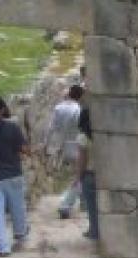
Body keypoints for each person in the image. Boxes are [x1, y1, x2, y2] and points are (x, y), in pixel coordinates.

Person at [0, 96, 30, 256]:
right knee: (18, 206)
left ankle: (3, 247)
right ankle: (20, 236)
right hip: (14, 174)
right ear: (2, 110)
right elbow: (24, 149)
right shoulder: (12, 127)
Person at [45, 85, 84, 219]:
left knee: (78, 175)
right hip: (78, 145)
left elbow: (51, 128)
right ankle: (66, 204)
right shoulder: (79, 109)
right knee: (80, 176)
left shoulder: (58, 107)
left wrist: (47, 144)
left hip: (64, 145)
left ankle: (80, 202)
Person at [73, 109, 97, 240]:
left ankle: (94, 231)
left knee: (92, 207)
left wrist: (77, 177)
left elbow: (82, 160)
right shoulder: (104, 136)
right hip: (106, 175)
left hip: (90, 174)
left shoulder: (83, 138)